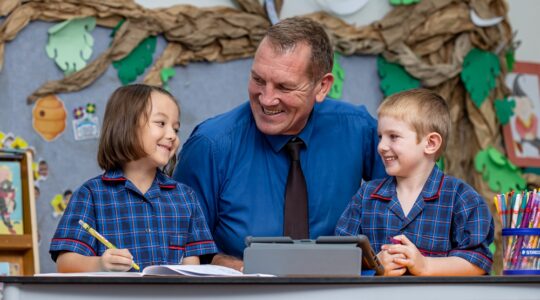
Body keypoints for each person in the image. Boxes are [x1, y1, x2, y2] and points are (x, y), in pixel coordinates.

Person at [173, 17, 385, 270]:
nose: (267, 99)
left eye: (284, 87)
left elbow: (411, 198)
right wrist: (223, 263)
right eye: (258, 80)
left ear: (322, 86)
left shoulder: (358, 128)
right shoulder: (210, 145)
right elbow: (178, 244)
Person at [50, 84, 218, 272]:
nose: (172, 136)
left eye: (176, 129)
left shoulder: (186, 198)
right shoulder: (90, 195)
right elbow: (65, 264)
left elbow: (192, 271)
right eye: (161, 123)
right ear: (127, 126)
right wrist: (100, 264)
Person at [336, 88, 494, 276]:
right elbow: (339, 257)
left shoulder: (463, 198)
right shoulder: (366, 196)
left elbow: (477, 263)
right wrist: (374, 264)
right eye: (380, 137)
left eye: (393, 136)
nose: (381, 146)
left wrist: (426, 266)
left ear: (430, 143)